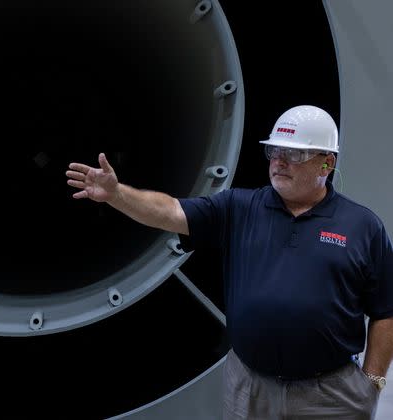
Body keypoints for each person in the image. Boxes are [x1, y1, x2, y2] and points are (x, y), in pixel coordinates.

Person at [66, 105, 393, 419]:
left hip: (329, 396)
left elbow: (385, 311)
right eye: (274, 151)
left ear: (326, 164)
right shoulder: (239, 208)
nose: (279, 162)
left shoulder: (362, 227)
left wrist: (372, 382)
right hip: (250, 389)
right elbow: (170, 211)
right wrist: (117, 194)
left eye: (294, 154)